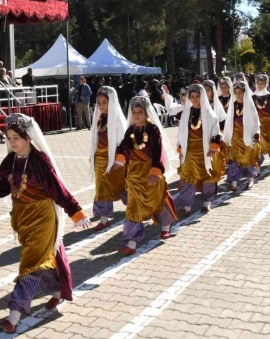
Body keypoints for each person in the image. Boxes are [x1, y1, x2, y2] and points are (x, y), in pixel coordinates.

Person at [0, 113, 90, 333]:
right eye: (9, 138)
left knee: (28, 265)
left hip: (43, 218)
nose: (12, 143)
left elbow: (59, 191)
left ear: (28, 137)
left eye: (16, 138)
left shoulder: (40, 162)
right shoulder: (9, 162)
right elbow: (3, 189)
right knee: (39, 260)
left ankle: (15, 313)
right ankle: (57, 289)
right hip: (22, 218)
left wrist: (76, 212)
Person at [113, 96, 178, 254]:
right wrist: (119, 161)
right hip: (134, 176)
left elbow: (157, 152)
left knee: (157, 201)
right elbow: (123, 147)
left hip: (151, 174)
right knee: (133, 207)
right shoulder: (130, 130)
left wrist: (155, 172)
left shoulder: (153, 130)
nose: (136, 115)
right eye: (134, 112)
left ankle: (165, 226)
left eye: (139, 112)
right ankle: (131, 242)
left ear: (147, 113)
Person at [174, 84, 222, 217]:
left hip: (205, 152)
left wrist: (213, 148)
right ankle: (187, 205)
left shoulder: (210, 114)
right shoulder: (186, 114)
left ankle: (207, 202)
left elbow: (216, 134)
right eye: (192, 97)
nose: (195, 99)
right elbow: (180, 133)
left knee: (207, 178)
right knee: (188, 178)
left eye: (197, 97)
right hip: (190, 152)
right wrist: (180, 148)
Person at [89, 86, 127, 230]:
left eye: (104, 102)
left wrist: (118, 159)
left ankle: (135, 205)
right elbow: (95, 137)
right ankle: (104, 218)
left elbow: (122, 141)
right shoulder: (98, 117)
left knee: (120, 185)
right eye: (99, 102)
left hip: (114, 158)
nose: (101, 106)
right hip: (100, 157)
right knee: (102, 186)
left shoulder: (117, 119)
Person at [223, 80, 261, 191]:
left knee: (246, 160)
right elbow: (229, 120)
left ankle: (250, 180)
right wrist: (227, 136)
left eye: (240, 92)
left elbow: (255, 121)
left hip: (247, 137)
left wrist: (255, 134)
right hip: (235, 137)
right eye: (236, 92)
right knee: (234, 161)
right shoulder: (233, 105)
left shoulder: (249, 105)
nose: (238, 95)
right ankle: (234, 183)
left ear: (245, 93)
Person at [253, 74, 270, 172]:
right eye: (258, 83)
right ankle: (258, 166)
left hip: (268, 125)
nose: (260, 85)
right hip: (257, 126)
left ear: (266, 84)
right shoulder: (252, 97)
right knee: (257, 145)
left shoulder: (269, 97)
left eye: (262, 83)